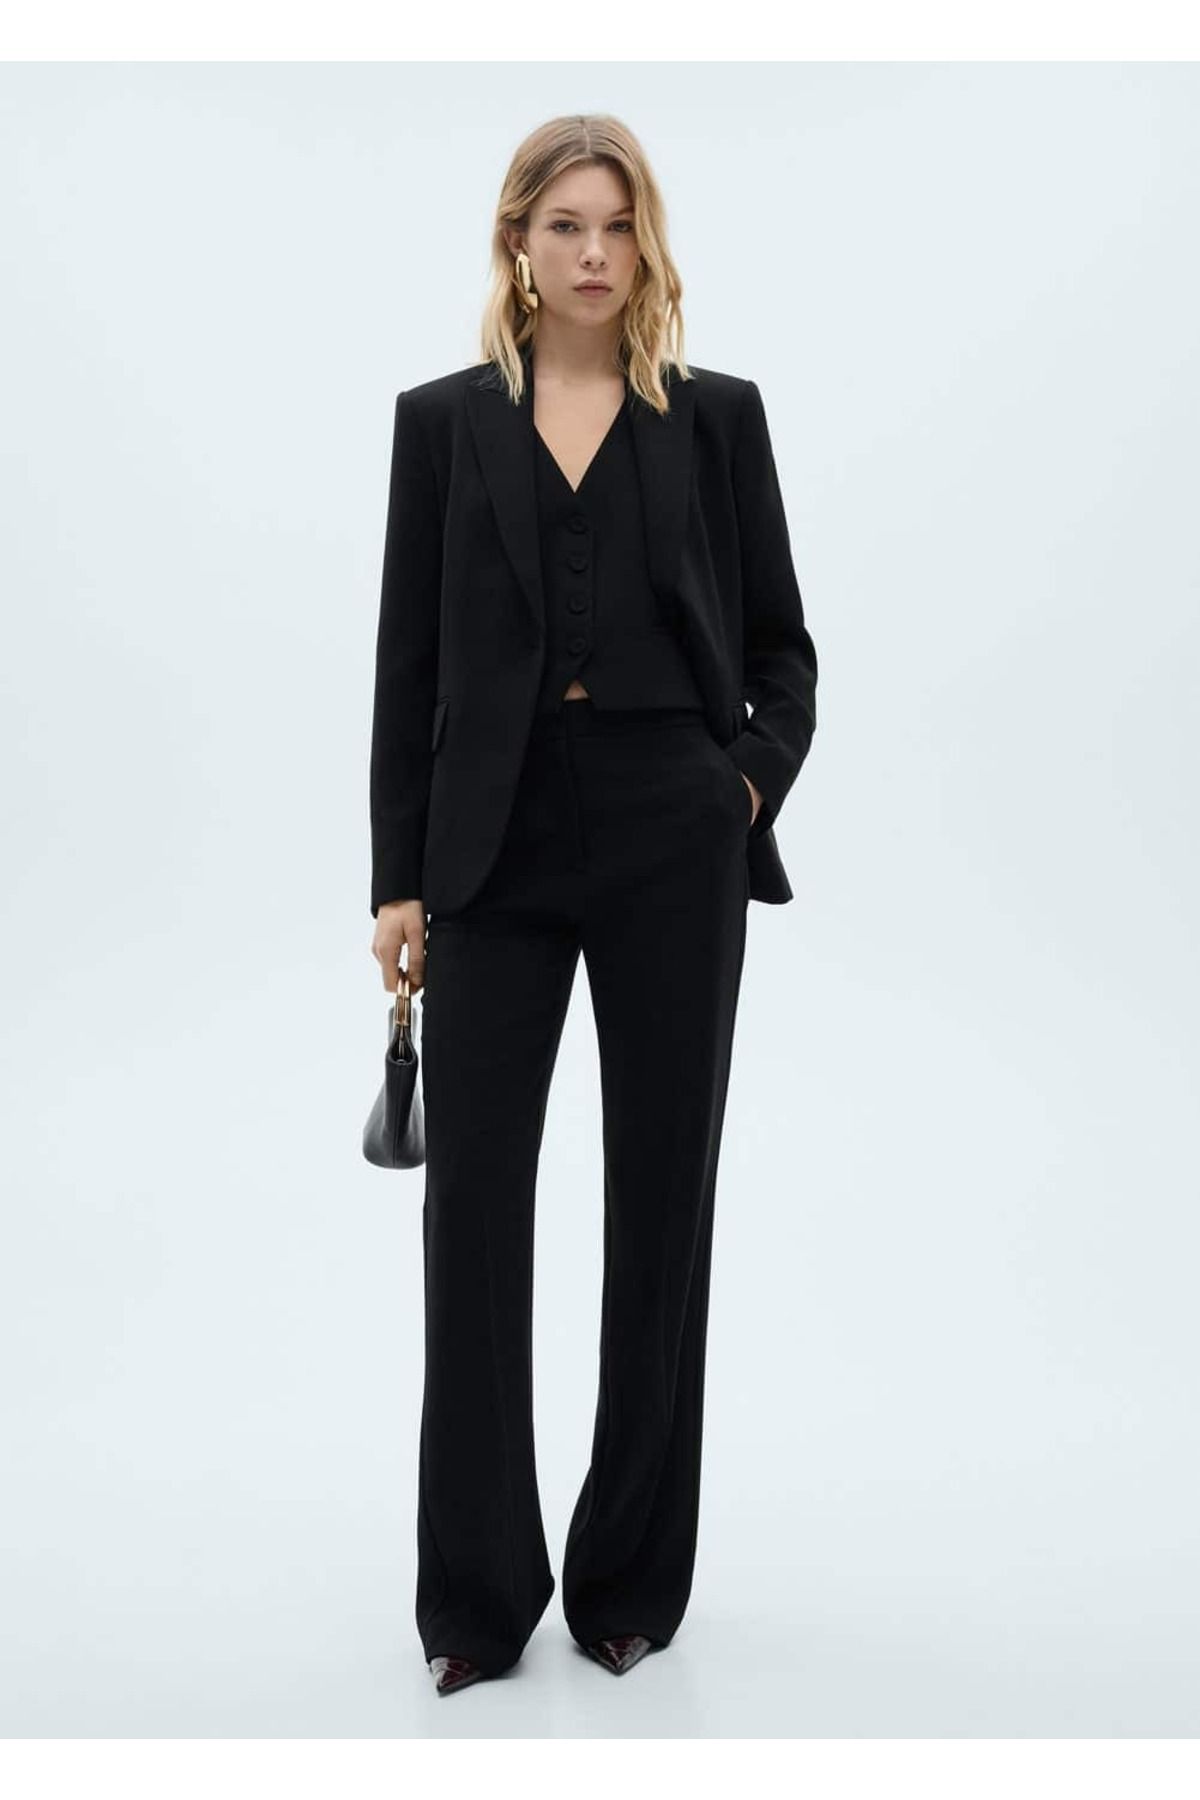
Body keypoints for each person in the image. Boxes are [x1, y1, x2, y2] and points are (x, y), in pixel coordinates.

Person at [368, 113, 818, 1696]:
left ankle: (628, 1581)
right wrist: (397, 875)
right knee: (473, 1215)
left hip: (668, 838)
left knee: (662, 1205)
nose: (593, 252)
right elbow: (407, 665)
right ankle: (475, 1600)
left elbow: (782, 653)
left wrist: (738, 787)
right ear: (518, 242)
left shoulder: (717, 420)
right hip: (490, 851)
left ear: (646, 244)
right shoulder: (442, 426)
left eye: (617, 225)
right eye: (565, 224)